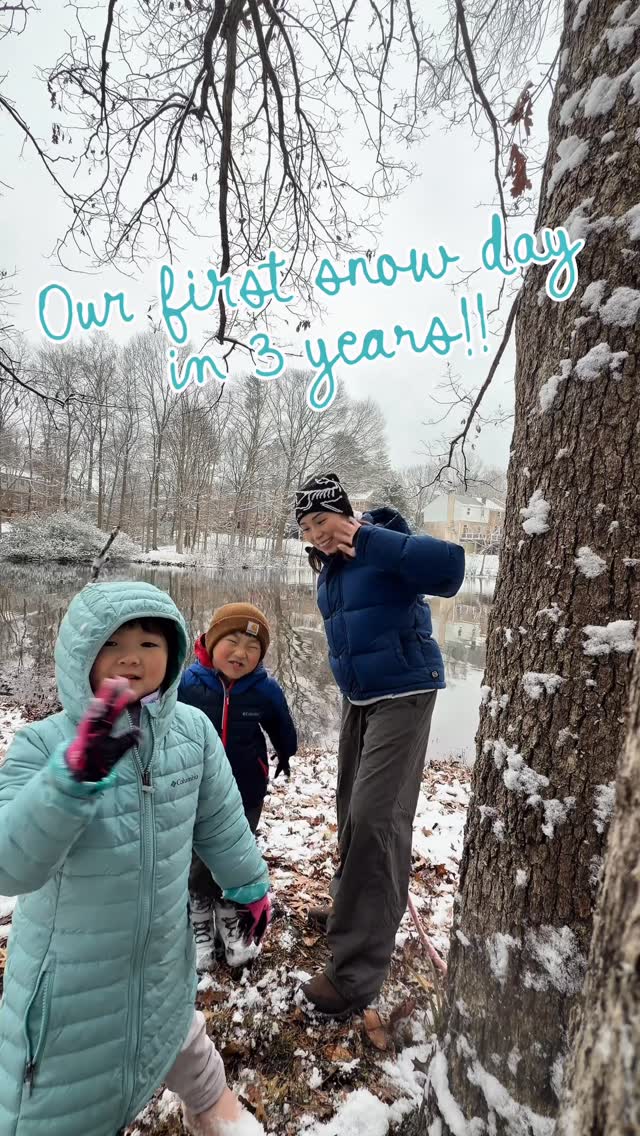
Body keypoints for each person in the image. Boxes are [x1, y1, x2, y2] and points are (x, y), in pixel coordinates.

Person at [0, 581, 270, 1136]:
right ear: (80, 654)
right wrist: (70, 778)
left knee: (177, 1035)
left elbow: (221, 821)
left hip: (161, 965)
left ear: (173, 653)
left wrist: (249, 884)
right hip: (72, 992)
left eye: (149, 643)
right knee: (57, 1107)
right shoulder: (43, 745)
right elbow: (11, 863)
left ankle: (214, 1107)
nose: (131, 657)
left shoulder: (192, 733)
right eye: (112, 644)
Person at [295, 472, 465, 1018]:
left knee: (376, 820)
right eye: (306, 527)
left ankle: (355, 974)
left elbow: (450, 570)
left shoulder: (384, 539)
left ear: (345, 512)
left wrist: (367, 539)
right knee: (352, 812)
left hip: (405, 692)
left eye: (322, 520)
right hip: (360, 698)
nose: (316, 533)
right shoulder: (330, 568)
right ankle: (351, 908)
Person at [178, 602, 297, 970]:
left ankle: (230, 912)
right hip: (196, 790)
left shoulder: (265, 690)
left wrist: (285, 753)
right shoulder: (188, 684)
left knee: (237, 852)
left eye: (252, 647)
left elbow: (281, 725)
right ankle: (199, 913)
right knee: (198, 858)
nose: (241, 653)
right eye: (232, 641)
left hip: (246, 789)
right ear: (211, 642)